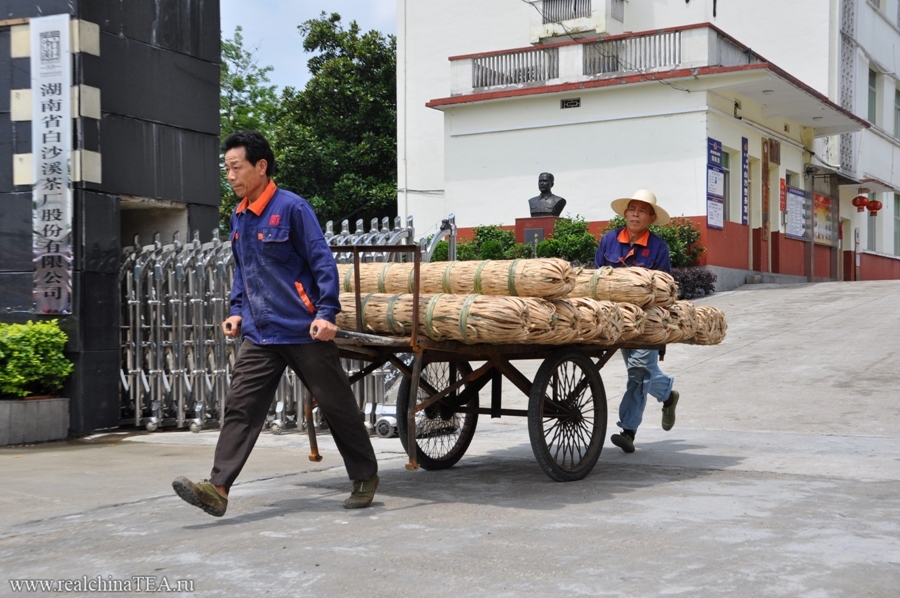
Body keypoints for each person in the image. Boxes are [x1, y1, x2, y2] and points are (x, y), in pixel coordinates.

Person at [172, 131, 379, 516]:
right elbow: (244, 271)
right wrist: (237, 310)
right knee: (240, 406)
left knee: (336, 405)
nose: (230, 177)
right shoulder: (240, 215)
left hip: (303, 329)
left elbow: (321, 262)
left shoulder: (293, 208)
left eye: (236, 168)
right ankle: (218, 488)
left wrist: (325, 313)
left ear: (261, 166)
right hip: (260, 332)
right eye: (227, 169)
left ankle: (365, 475)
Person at [595, 189, 680, 454]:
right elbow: (596, 278)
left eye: (642, 210)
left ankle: (628, 431)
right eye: (632, 209)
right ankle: (667, 394)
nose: (635, 214)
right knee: (640, 371)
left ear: (651, 218)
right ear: (625, 213)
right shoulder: (609, 240)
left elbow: (665, 288)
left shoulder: (658, 248)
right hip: (616, 319)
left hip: (646, 321)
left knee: (638, 370)